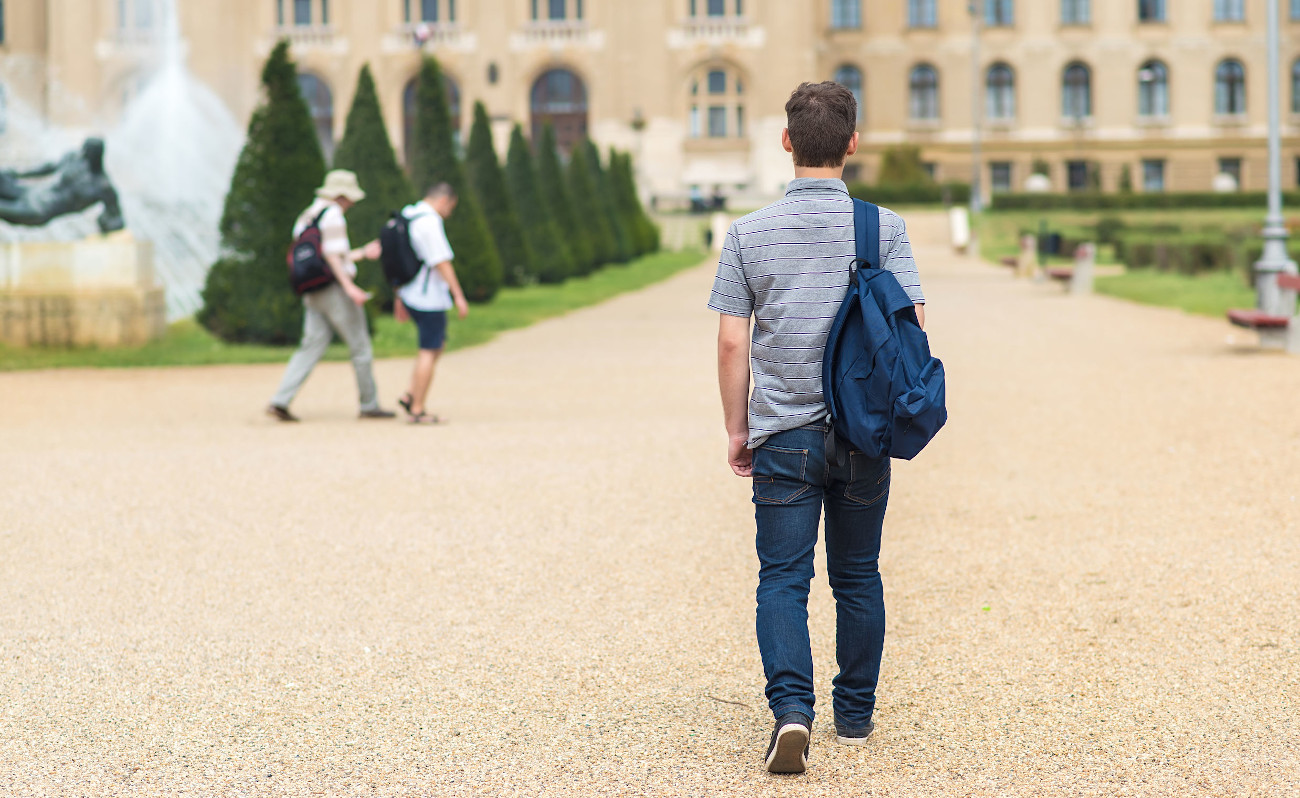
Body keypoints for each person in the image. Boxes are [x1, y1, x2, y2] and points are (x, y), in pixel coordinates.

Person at [708, 81, 927, 774]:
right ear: (853, 144)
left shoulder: (747, 234)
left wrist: (738, 429)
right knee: (858, 575)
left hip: (783, 434)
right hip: (863, 432)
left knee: (782, 578)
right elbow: (913, 328)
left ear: (786, 142)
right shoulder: (883, 228)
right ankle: (855, 716)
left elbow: (731, 344)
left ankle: (793, 712)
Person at [267, 169, 395, 422]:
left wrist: (360, 253)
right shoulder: (333, 214)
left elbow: (321, 255)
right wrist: (350, 288)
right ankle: (369, 404)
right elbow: (333, 257)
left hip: (311, 289)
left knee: (311, 345)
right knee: (360, 346)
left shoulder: (307, 215)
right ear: (341, 196)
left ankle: (280, 399)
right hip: (334, 290)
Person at [392, 182, 468, 425]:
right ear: (444, 201)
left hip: (410, 291)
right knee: (429, 348)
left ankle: (411, 394)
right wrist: (458, 294)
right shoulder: (430, 222)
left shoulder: (407, 215)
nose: (449, 213)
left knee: (437, 345)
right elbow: (441, 261)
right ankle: (417, 408)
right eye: (450, 208)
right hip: (428, 296)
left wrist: (398, 295)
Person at [0, 138, 124, 233]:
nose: (84, 154)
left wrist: (104, 224)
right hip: (30, 193)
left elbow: (116, 220)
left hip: (38, 211)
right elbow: (48, 168)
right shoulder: (73, 159)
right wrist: (17, 174)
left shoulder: (103, 187)